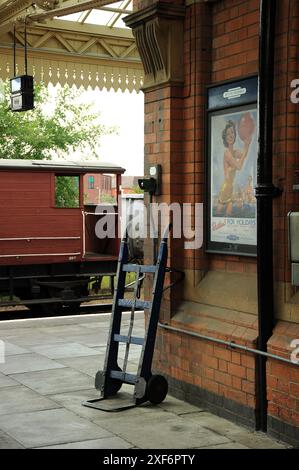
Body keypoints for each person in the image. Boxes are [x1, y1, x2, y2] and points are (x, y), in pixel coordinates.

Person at [216, 120, 251, 216]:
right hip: (226, 187)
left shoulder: (234, 152)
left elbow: (244, 155)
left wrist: (247, 145)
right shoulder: (227, 153)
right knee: (219, 212)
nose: (231, 135)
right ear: (225, 138)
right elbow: (239, 166)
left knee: (228, 212)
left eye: (232, 132)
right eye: (228, 134)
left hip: (231, 187)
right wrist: (246, 146)